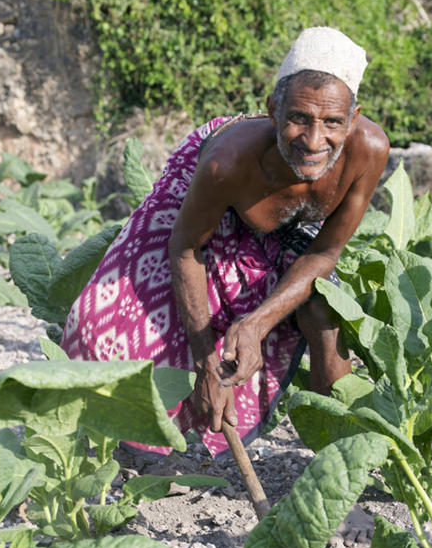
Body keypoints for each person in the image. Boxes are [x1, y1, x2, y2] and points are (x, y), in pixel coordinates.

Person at [61, 27, 389, 458]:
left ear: (353, 117)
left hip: (290, 232)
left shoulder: (368, 150)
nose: (313, 140)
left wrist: (255, 323)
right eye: (298, 119)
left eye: (332, 123)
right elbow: (185, 249)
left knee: (324, 313)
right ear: (273, 110)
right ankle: (137, 439)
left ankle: (341, 465)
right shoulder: (226, 161)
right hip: (204, 208)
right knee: (102, 320)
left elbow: (324, 252)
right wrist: (205, 363)